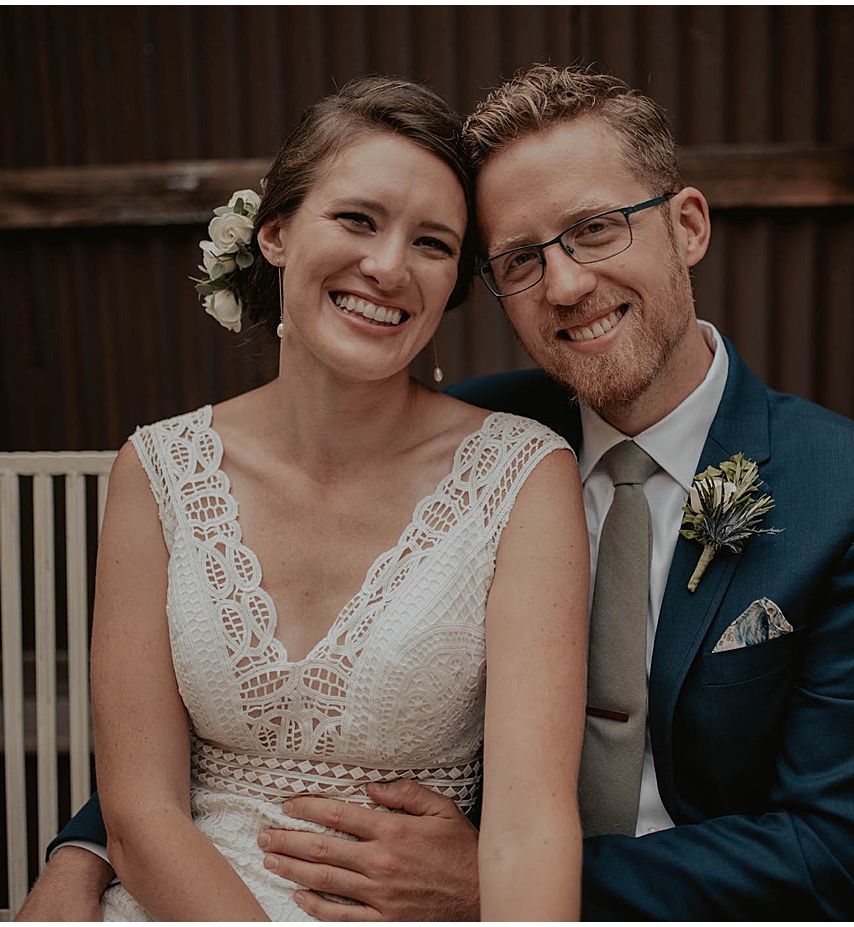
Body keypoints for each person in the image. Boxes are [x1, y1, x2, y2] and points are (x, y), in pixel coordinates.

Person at [23, 64, 854, 921]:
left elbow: (836, 848)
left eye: (595, 229)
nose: (568, 284)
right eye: (522, 259)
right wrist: (86, 849)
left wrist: (479, 882)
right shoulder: (473, 441)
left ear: (687, 225)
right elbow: (238, 712)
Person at [41, 76, 589, 922]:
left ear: (452, 283)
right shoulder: (157, 470)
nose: (388, 266)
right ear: (276, 232)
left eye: (434, 244)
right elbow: (140, 811)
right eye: (357, 219)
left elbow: (530, 822)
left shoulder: (522, 476)